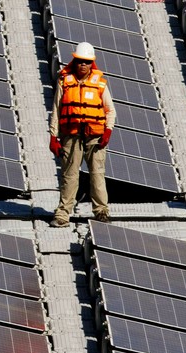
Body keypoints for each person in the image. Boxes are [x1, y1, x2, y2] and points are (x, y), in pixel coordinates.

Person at [49, 42, 116, 227]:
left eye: (86, 62)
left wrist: (108, 131)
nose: (83, 65)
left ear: (91, 63)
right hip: (70, 135)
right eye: (80, 61)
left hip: (95, 136)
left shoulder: (100, 84)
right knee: (69, 175)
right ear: (75, 61)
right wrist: (53, 136)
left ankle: (101, 211)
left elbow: (110, 110)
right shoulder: (64, 81)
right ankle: (63, 214)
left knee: (97, 174)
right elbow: (57, 109)